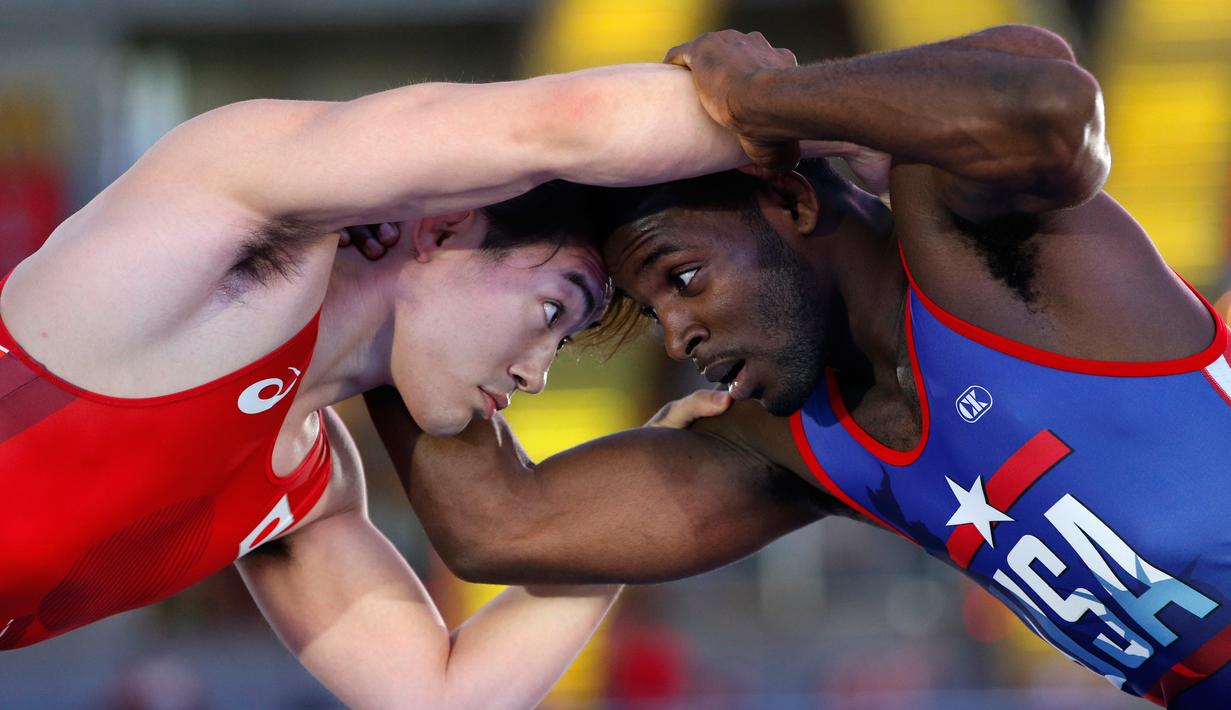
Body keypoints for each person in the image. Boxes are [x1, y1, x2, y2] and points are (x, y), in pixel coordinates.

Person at [364, 25, 1231, 708]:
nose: (677, 338)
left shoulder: (966, 236)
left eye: (684, 278)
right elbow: (500, 527)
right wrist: (389, 287)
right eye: (656, 310)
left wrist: (763, 100)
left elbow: (1044, 95)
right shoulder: (794, 443)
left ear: (790, 197)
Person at [0, 62, 756, 707]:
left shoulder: (309, 493)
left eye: (560, 341)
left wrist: (639, 497)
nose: (535, 374)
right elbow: (566, 122)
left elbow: (441, 696)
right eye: (552, 311)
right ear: (444, 228)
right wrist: (807, 116)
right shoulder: (230, 228)